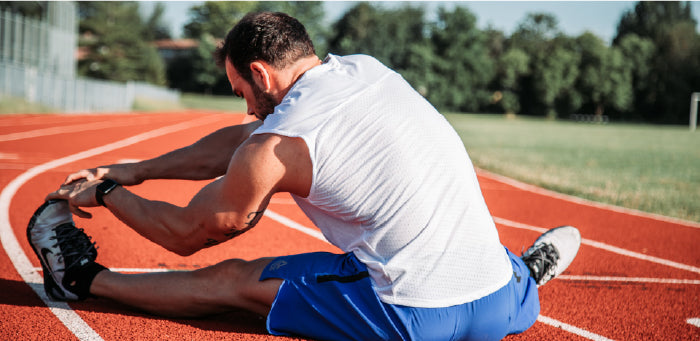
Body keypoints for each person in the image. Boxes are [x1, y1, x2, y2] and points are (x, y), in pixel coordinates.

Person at [28, 12, 581, 340]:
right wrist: (138, 170)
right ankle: (526, 274)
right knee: (447, 231)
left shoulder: (276, 144)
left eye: (242, 92)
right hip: (500, 305)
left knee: (235, 281)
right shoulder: (367, 70)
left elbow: (188, 233)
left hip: (414, 318)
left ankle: (80, 281)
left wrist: (106, 192)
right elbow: (241, 141)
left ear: (262, 74)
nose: (245, 108)